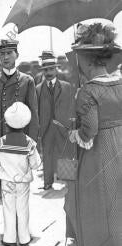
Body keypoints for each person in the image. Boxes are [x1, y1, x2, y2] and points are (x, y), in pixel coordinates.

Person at [68, 22, 122, 246]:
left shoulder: (88, 91)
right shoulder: (121, 82)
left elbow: (89, 132)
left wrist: (74, 134)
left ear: (87, 59)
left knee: (97, 208)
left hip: (100, 156)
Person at [0, 39, 39, 237]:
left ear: (16, 56)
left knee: (19, 185)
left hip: (19, 139)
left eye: (9, 54)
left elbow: (34, 114)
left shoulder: (27, 81)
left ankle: (21, 225)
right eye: (2, 54)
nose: (5, 58)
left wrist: (33, 142)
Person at [0, 102, 40, 246]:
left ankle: (9, 238)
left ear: (7, 123)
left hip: (6, 181)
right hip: (23, 182)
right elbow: (35, 164)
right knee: (23, 208)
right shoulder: (30, 143)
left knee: (8, 209)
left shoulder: (0, 142)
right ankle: (24, 238)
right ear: (25, 124)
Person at [36, 50, 73, 190]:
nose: (48, 72)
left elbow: (71, 106)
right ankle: (47, 182)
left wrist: (70, 124)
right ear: (43, 72)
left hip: (62, 125)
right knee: (47, 154)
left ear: (56, 70)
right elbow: (36, 110)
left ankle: (67, 181)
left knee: (65, 152)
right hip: (46, 126)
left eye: (51, 69)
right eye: (46, 70)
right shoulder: (38, 89)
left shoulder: (66, 86)